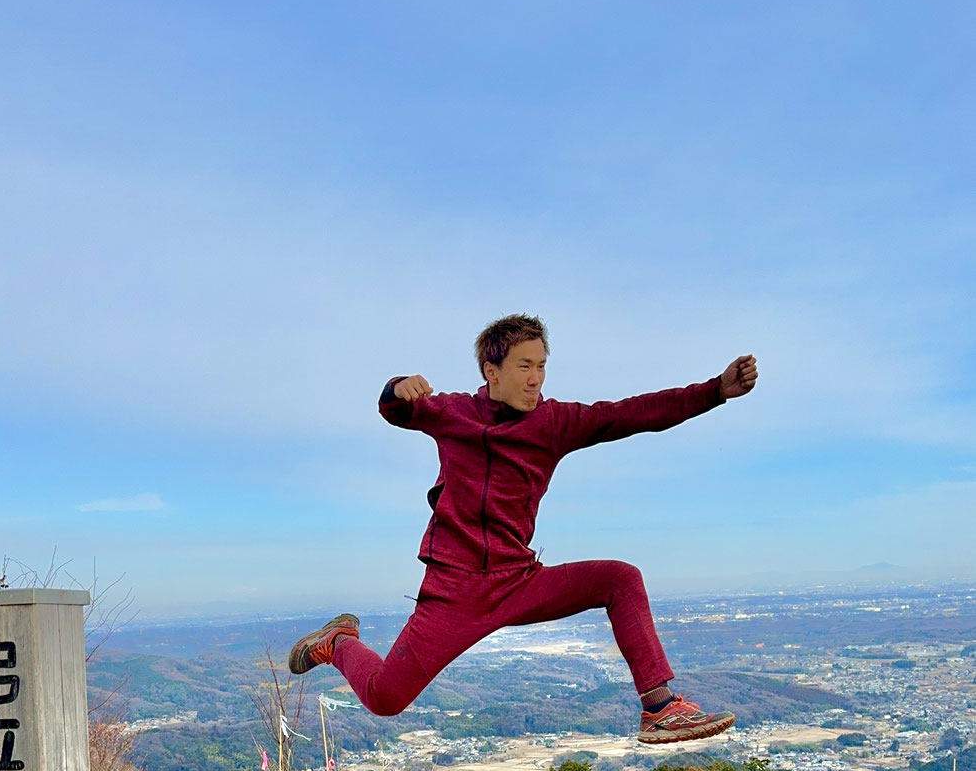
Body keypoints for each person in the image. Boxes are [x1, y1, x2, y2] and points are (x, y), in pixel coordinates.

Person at [289, 313, 758, 743]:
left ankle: (660, 708)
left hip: (519, 580)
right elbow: (394, 409)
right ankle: (339, 642)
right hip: (455, 590)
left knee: (621, 577)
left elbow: (632, 413)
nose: (535, 379)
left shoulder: (555, 423)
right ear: (491, 371)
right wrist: (397, 387)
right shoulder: (452, 413)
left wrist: (715, 390)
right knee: (385, 698)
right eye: (523, 366)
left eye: (542, 366)